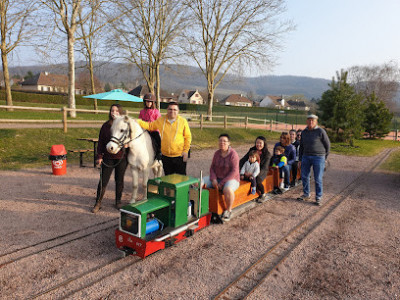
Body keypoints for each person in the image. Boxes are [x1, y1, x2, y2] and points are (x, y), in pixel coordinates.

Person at [138, 101, 191, 175]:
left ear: (178, 111)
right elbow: (150, 126)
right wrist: (138, 121)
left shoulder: (183, 121)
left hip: (179, 156)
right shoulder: (161, 120)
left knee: (180, 179)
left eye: (175, 109)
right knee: (168, 178)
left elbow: (188, 137)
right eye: (170, 109)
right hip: (166, 156)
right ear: (167, 110)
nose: (172, 111)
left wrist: (185, 151)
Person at [92, 104, 128, 213]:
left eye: (117, 111)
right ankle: (98, 202)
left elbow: (130, 139)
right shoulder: (105, 126)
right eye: (112, 110)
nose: (114, 113)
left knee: (119, 180)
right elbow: (101, 143)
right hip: (108, 157)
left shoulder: (125, 126)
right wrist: (99, 156)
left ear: (120, 113)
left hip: (122, 157)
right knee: (103, 181)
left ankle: (118, 201)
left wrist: (127, 145)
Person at [203, 133, 240, 222]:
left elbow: (234, 171)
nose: (222, 143)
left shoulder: (233, 154)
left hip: (231, 179)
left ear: (229, 143)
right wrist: (214, 179)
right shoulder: (216, 153)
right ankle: (199, 206)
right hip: (217, 178)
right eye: (220, 141)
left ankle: (228, 210)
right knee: (198, 183)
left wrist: (221, 183)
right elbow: (212, 167)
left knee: (227, 189)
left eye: (224, 141)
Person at [297, 114, 331, 206]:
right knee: (304, 176)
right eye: (309, 120)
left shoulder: (321, 131)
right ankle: (306, 194)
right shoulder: (304, 132)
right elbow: (301, 147)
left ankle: (318, 197)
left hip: (318, 157)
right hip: (306, 157)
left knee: (318, 178)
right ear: (307, 121)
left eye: (313, 120)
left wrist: (325, 158)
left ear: (316, 122)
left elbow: (327, 145)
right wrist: (300, 159)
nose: (310, 122)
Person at [239, 136, 271, 202]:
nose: (258, 144)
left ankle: (263, 194)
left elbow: (264, 167)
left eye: (260, 143)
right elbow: (244, 159)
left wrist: (253, 174)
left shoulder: (267, 154)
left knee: (257, 180)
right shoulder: (252, 150)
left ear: (264, 144)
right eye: (257, 142)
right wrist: (237, 167)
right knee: (240, 177)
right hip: (250, 169)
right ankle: (245, 195)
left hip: (260, 171)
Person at [138, 93, 162, 160]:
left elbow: (159, 123)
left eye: (150, 102)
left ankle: (159, 152)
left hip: (153, 131)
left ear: (153, 103)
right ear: (145, 102)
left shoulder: (156, 112)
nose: (149, 103)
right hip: (144, 130)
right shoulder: (142, 112)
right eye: (147, 102)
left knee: (157, 138)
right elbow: (140, 121)